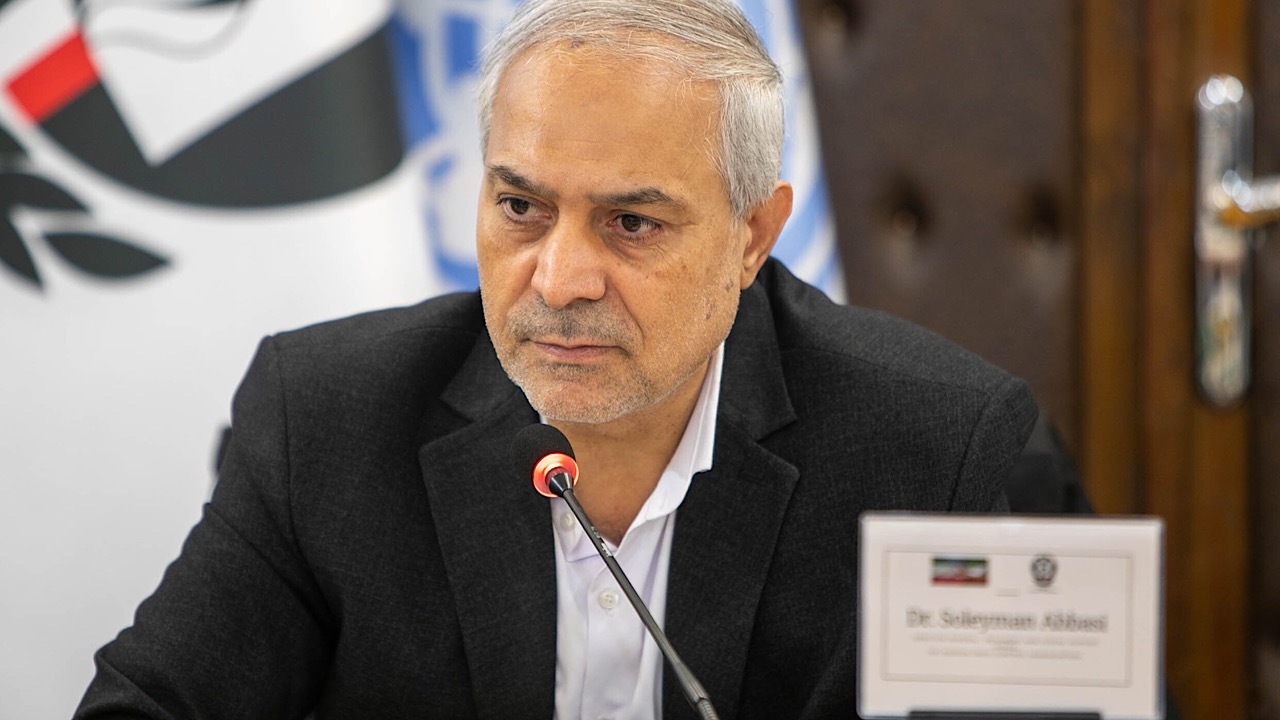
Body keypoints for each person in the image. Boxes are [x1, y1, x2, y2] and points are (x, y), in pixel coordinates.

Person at [74, 0, 1037, 717]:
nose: (561, 279)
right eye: (522, 208)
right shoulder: (329, 417)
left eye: (631, 222)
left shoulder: (927, 450)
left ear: (753, 237)